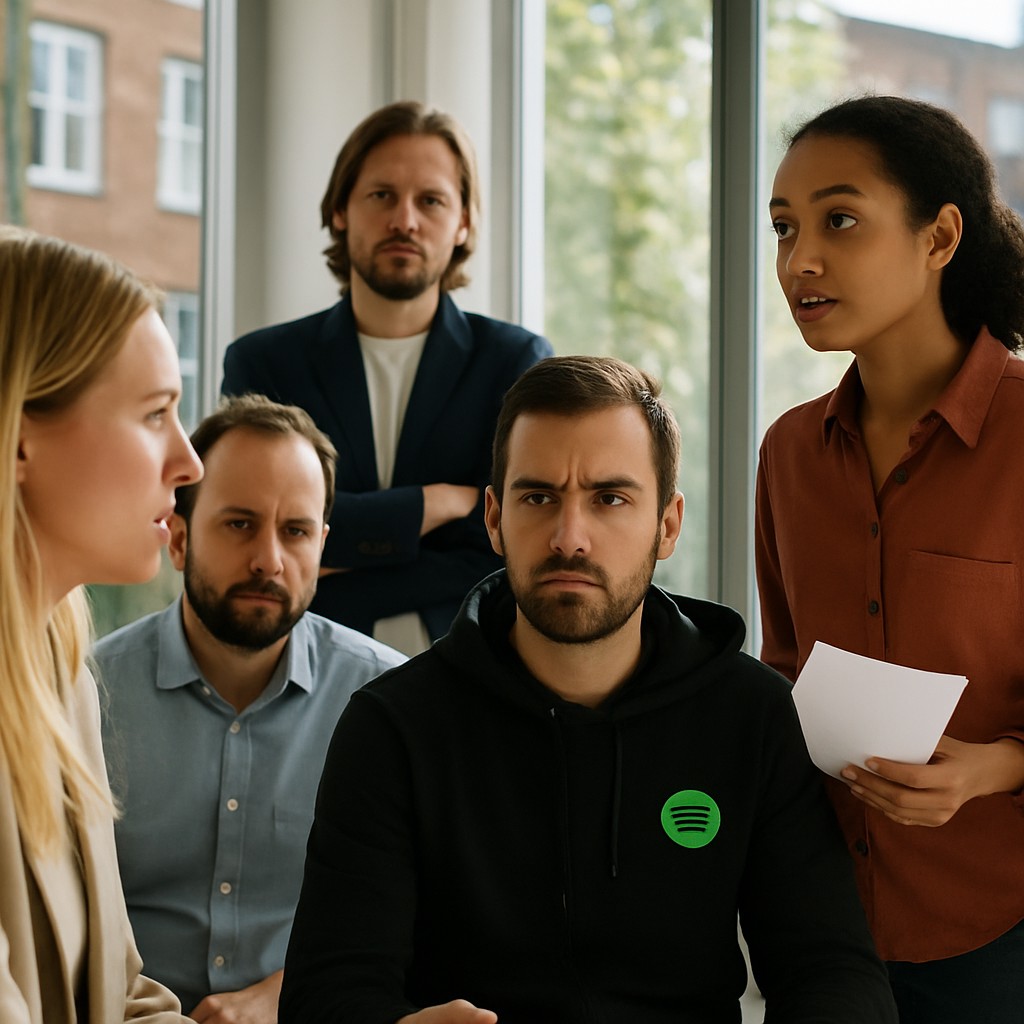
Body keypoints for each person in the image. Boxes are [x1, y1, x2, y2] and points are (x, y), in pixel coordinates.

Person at [279, 355, 898, 1024]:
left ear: (667, 524)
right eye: (538, 497)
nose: (569, 537)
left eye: (609, 498)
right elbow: (327, 992)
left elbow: (834, 972)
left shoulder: (752, 715)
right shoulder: (392, 726)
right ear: (494, 518)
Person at [757, 95, 1024, 1023]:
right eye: (783, 229)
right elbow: (784, 668)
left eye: (839, 220)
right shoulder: (788, 452)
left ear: (940, 236)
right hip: (824, 931)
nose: (800, 261)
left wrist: (993, 768)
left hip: (1001, 929)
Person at [93, 394, 406, 1022]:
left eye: (295, 532)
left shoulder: (390, 702)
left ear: (322, 545)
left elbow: (421, 913)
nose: (269, 559)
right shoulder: (84, 695)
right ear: (178, 539)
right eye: (239, 524)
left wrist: (282, 996)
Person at [221, 101, 552, 657]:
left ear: (463, 221)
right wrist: (440, 503)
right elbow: (259, 534)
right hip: (300, 670)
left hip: (467, 669)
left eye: (430, 200)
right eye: (382, 196)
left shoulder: (512, 359)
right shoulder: (262, 363)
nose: (405, 220)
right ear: (341, 209)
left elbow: (504, 546)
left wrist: (335, 549)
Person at [0, 225, 203, 1021]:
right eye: (155, 413)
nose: (188, 462)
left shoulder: (61, 668)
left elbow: (118, 997)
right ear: (20, 438)